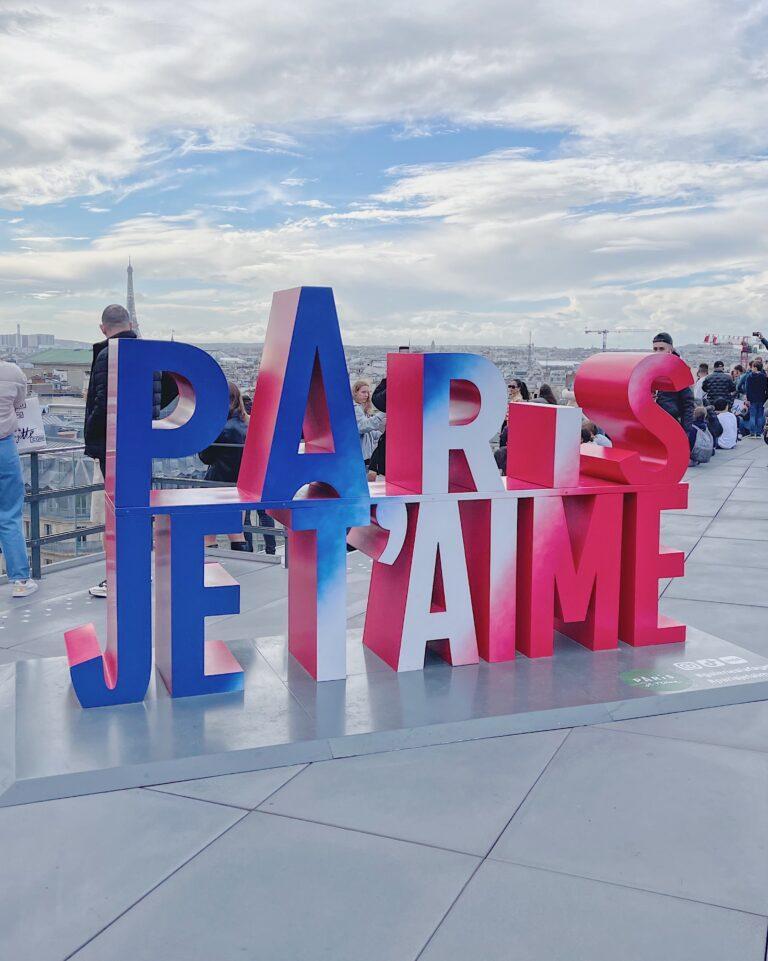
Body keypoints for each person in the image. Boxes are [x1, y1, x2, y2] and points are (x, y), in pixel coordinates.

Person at [84, 304, 162, 597]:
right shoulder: (148, 353)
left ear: (103, 328)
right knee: (138, 509)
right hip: (142, 442)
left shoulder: (108, 355)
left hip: (114, 445)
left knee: (116, 511)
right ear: (130, 323)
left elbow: (101, 404)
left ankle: (119, 576)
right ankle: (140, 571)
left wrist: (91, 435)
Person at [199, 382, 276, 553]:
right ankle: (243, 561)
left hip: (217, 485)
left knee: (207, 532)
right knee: (236, 532)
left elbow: (205, 457)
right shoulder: (251, 424)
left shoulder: (221, 428)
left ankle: (212, 569)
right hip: (241, 486)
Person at [0, 360, 37, 597]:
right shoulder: (12, 371)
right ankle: (20, 580)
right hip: (3, 447)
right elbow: (20, 402)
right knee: (10, 514)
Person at [651, 333, 694, 433]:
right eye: (655, 349)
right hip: (655, 421)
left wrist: (686, 431)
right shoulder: (651, 368)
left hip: (672, 422)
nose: (658, 352)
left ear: (670, 350)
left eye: (661, 349)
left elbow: (688, 403)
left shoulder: (678, 370)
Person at [352, 379, 385, 467]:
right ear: (355, 392)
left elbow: (368, 434)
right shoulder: (355, 408)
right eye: (363, 392)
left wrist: (382, 435)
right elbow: (363, 427)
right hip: (360, 456)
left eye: (368, 392)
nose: (366, 395)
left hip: (365, 455)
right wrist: (382, 413)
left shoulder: (362, 408)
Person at [742, 357, 768, 437]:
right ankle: (759, 432)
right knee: (760, 415)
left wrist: (748, 399)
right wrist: (765, 397)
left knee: (752, 415)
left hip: (752, 399)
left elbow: (748, 389)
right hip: (761, 398)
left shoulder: (749, 377)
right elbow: (766, 388)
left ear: (755, 367)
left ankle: (752, 432)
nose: (751, 368)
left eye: (752, 367)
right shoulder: (764, 377)